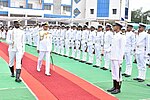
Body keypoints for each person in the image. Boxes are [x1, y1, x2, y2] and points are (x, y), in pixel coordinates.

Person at [107, 22, 125, 94]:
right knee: (114, 72)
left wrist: (120, 59)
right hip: (113, 56)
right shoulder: (115, 35)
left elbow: (122, 48)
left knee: (118, 73)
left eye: (114, 26)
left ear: (118, 27)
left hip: (117, 57)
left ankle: (118, 88)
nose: (113, 27)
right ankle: (114, 86)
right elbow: (113, 46)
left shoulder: (121, 36)